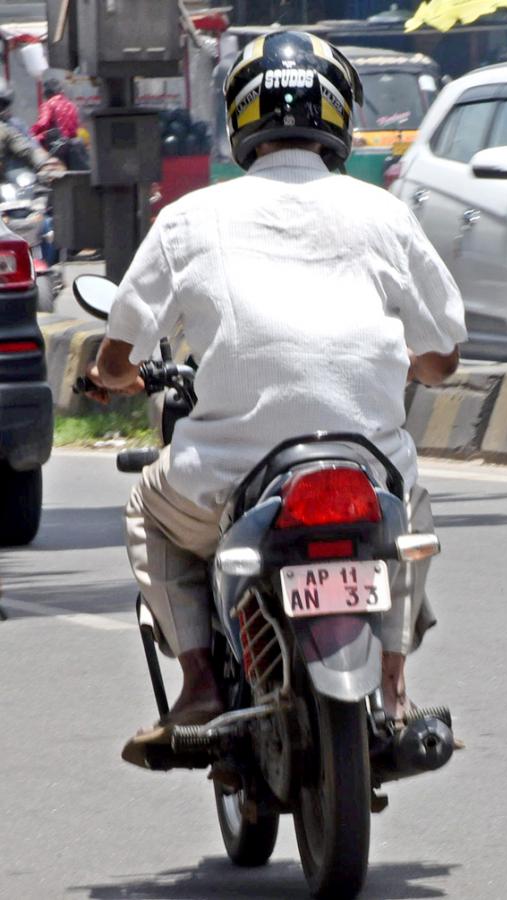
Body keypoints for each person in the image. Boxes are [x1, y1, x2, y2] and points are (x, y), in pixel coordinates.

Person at [86, 31, 467, 767]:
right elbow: (443, 356)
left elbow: (117, 352)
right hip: (370, 469)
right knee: (408, 516)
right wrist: (414, 362)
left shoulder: (190, 218)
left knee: (148, 512)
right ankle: (394, 690)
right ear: (338, 116)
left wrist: (113, 377)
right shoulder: (381, 213)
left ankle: (198, 683)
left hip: (231, 474)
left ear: (240, 119)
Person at [30, 78, 79, 148]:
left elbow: (43, 124)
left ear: (47, 92)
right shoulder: (71, 105)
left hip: (56, 146)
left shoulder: (49, 104)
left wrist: (30, 133)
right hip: (71, 146)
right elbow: (75, 127)